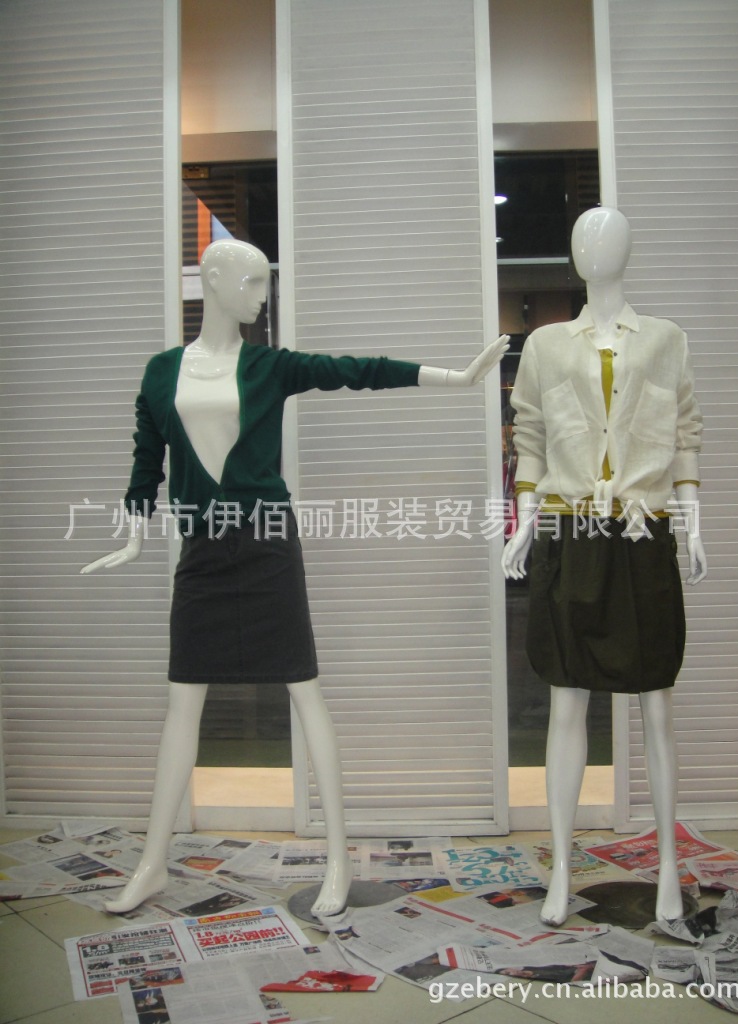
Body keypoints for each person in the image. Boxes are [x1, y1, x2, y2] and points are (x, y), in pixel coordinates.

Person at [83, 238, 508, 917]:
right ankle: (152, 864)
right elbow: (147, 460)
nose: (262, 295)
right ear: (213, 281)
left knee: (305, 691)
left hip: (267, 545)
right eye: (252, 281)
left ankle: (338, 860)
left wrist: (454, 379)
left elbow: (356, 370)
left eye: (264, 282)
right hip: (201, 551)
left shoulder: (270, 366)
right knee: (182, 701)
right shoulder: (161, 372)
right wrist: (134, 529)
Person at [501, 207, 706, 926]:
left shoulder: (666, 340)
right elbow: (529, 436)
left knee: (657, 703)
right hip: (571, 531)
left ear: (627, 249)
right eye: (584, 236)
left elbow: (684, 432)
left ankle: (670, 865)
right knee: (566, 700)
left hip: (644, 532)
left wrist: (693, 521)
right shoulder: (546, 346)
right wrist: (524, 523)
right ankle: (562, 868)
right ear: (573, 252)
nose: (595, 247)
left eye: (608, 235)